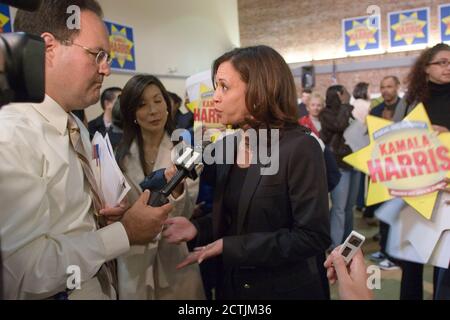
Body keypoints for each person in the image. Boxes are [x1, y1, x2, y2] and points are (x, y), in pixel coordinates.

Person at [0, 0, 171, 300]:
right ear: (48, 48)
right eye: (97, 55)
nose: (106, 68)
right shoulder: (12, 135)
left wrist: (103, 222)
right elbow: (22, 274)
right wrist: (124, 234)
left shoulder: (74, 125)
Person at [163, 45, 331, 300]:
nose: (215, 98)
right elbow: (236, 217)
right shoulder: (227, 146)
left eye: (224, 87)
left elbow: (311, 237)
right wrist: (198, 228)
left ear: (259, 91)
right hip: (232, 286)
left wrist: (230, 247)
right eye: (215, 87)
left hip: (283, 289)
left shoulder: (300, 147)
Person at [115, 75, 204, 300]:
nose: (153, 110)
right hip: (133, 259)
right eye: (142, 105)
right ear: (131, 112)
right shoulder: (120, 155)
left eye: (158, 100)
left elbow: (184, 214)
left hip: (173, 257)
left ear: (167, 104)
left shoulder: (186, 152)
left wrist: (176, 190)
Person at [392, 43, 450, 300]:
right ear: (426, 68)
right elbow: (392, 141)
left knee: (445, 259)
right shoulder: (410, 102)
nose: (448, 67)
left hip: (448, 188)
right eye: (442, 62)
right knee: (413, 258)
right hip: (416, 187)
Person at [319, 85, 360, 249]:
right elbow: (339, 125)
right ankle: (334, 244)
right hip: (339, 164)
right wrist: (345, 105)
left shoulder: (346, 111)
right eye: (345, 92)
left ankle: (347, 242)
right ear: (339, 95)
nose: (349, 95)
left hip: (352, 161)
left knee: (350, 207)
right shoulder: (325, 114)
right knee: (339, 208)